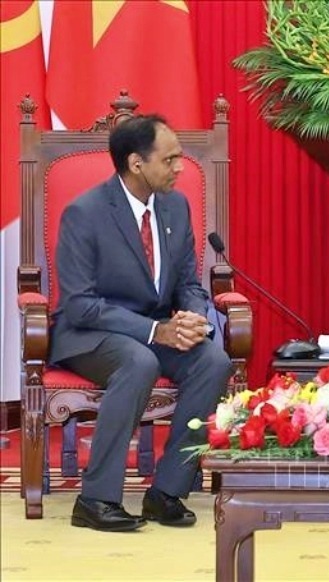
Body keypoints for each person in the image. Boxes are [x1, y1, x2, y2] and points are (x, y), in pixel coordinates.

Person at [50, 114, 232, 532]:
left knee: (213, 361)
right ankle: (95, 500)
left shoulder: (175, 206)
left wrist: (192, 317)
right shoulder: (85, 213)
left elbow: (187, 282)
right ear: (136, 163)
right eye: (169, 160)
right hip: (89, 333)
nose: (179, 168)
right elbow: (79, 305)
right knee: (138, 361)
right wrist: (156, 331)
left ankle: (167, 492)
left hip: (153, 329)